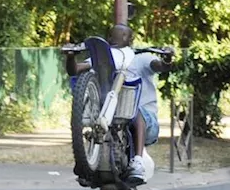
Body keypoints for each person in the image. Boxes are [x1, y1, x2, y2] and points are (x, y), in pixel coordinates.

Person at [66, 24, 173, 179]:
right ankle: (87, 162)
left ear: (130, 40)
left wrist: (167, 58)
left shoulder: (141, 58)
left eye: (122, 35)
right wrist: (70, 56)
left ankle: (138, 161)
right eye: (112, 36)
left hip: (146, 122)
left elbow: (161, 66)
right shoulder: (103, 60)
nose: (115, 39)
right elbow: (75, 69)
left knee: (136, 110)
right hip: (112, 117)